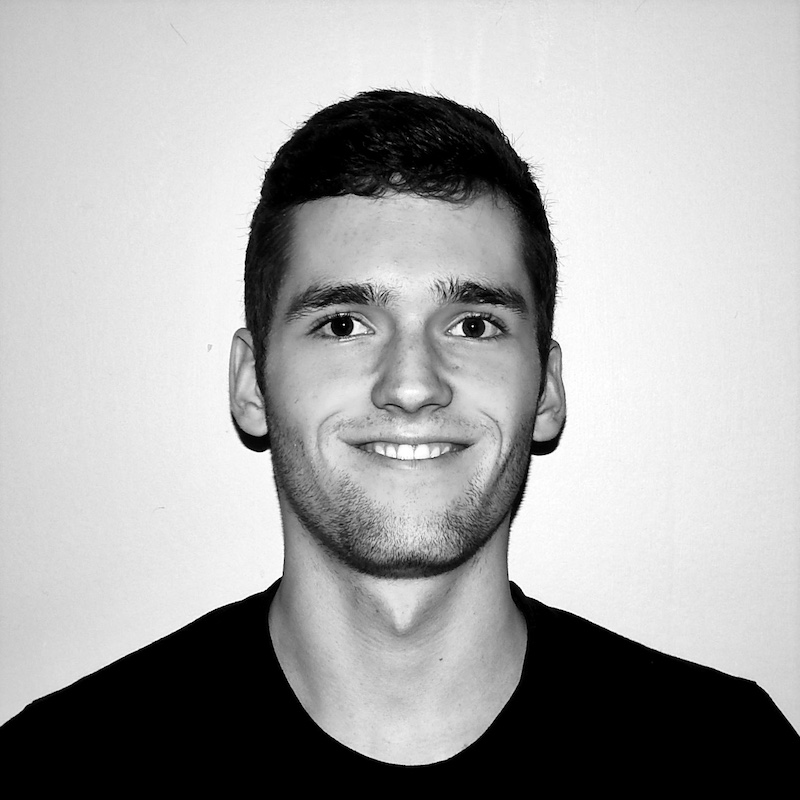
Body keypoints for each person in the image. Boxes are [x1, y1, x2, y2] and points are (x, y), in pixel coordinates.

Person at [2, 90, 797, 788]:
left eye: (475, 324)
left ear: (547, 390)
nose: (412, 384)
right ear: (251, 383)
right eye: (344, 323)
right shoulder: (59, 766)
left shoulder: (729, 756)